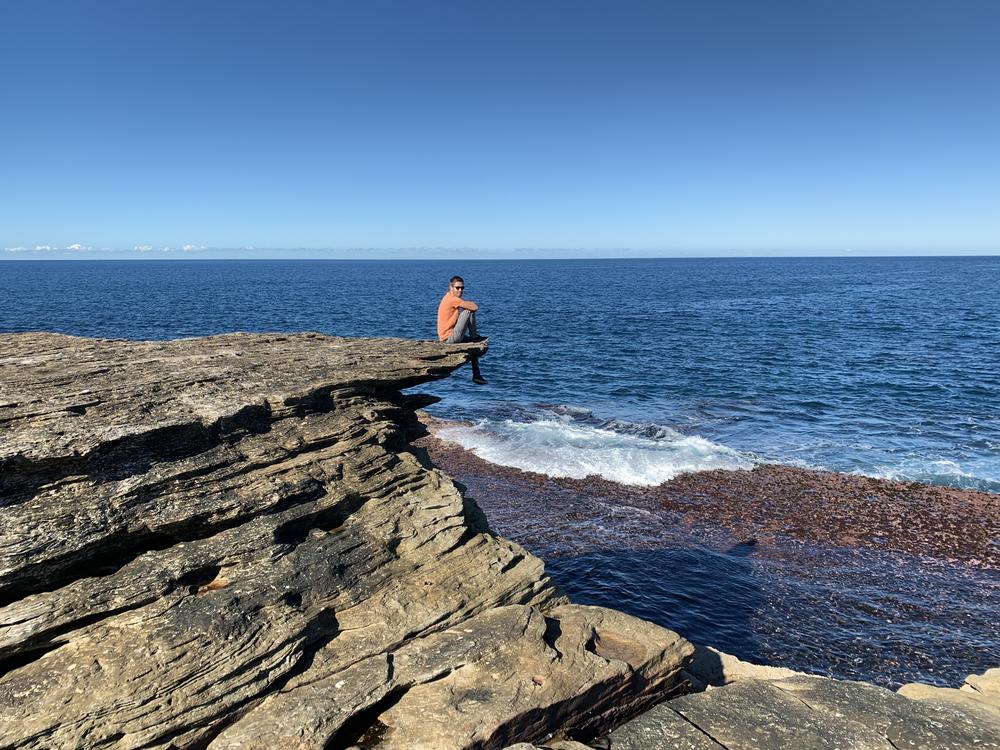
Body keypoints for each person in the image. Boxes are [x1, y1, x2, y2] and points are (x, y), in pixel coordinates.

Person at [437, 275, 487, 384]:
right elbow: (474, 307)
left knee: (473, 346)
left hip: (451, 336)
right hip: (448, 339)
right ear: (451, 288)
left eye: (462, 288)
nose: (460, 290)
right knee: (468, 311)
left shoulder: (451, 298)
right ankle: (474, 337)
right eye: (457, 288)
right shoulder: (451, 299)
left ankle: (476, 375)